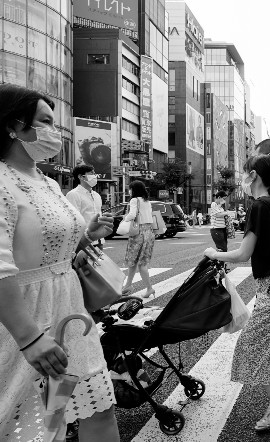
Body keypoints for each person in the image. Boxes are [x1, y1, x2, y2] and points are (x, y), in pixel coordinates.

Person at [0, 84, 120, 441]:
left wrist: (87, 236)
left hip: (68, 315)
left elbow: (49, 245)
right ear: (14, 126)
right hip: (22, 322)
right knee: (29, 427)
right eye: (45, 122)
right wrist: (29, 338)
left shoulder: (49, 183)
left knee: (91, 409)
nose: (55, 132)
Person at [204, 154, 270, 431]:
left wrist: (213, 253)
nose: (241, 179)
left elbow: (243, 254)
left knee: (250, 345)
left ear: (252, 175)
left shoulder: (260, 206)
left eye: (243, 174)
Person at [122, 181, 155, 298]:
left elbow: (132, 214)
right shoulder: (147, 201)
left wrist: (124, 219)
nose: (129, 191)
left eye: (130, 189)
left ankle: (149, 288)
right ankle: (128, 286)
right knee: (137, 261)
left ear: (134, 190)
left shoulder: (134, 200)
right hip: (149, 232)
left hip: (138, 233)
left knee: (138, 262)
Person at [66, 164, 104, 249]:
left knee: (98, 262)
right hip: (83, 241)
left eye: (94, 174)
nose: (94, 176)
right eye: (91, 173)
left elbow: (99, 215)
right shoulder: (73, 194)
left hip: (98, 240)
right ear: (81, 177)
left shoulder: (97, 195)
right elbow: (73, 220)